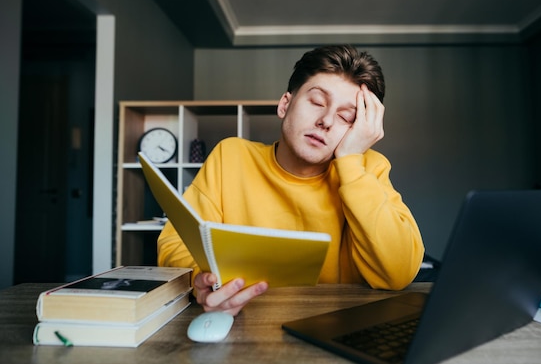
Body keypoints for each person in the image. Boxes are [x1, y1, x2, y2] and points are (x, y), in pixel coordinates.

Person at [157, 45, 424, 316]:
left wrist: (351, 163)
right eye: (318, 102)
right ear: (285, 104)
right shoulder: (231, 157)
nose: (327, 120)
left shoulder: (367, 167)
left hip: (335, 326)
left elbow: (399, 273)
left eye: (347, 117)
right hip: (243, 323)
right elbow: (174, 244)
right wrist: (204, 282)